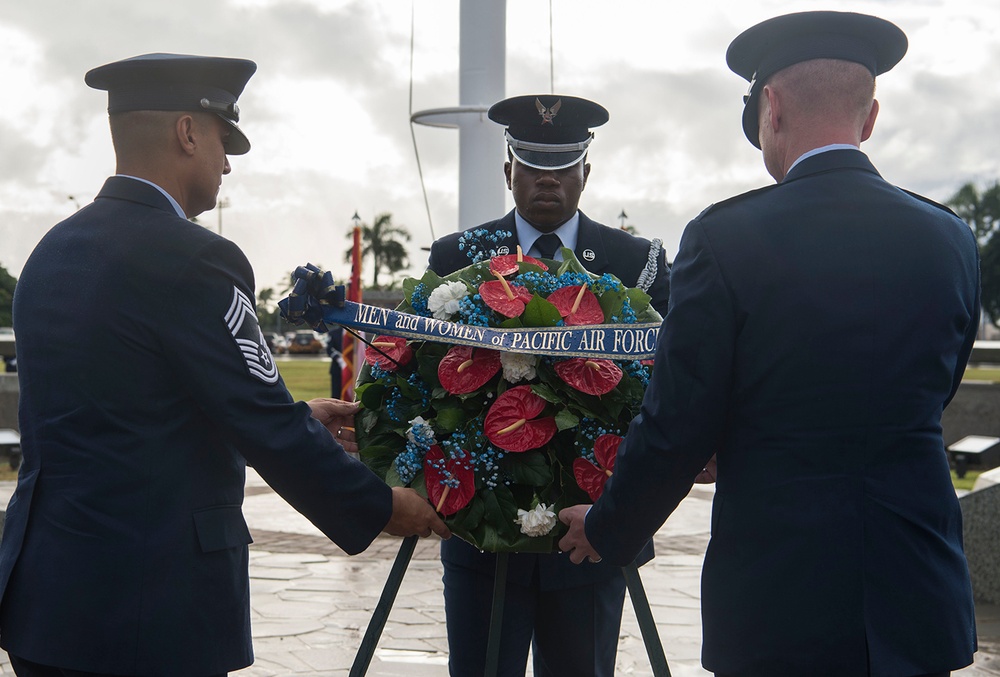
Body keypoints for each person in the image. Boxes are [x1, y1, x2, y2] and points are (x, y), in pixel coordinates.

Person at [0, 53, 449, 677]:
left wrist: (298, 415)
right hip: (150, 609)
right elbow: (261, 420)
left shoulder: (51, 252)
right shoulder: (195, 258)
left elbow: (131, 412)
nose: (228, 162)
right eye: (221, 140)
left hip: (47, 600)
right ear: (187, 132)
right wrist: (385, 507)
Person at [559, 11, 980, 676]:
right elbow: (937, 384)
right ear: (870, 117)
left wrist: (609, 526)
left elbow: (677, 425)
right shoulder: (950, 238)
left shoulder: (725, 239)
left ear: (771, 108)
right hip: (918, 590)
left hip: (780, 597)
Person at [427, 94, 670, 677]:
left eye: (563, 166)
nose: (548, 180)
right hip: (481, 532)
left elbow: (666, 391)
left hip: (592, 531)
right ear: (509, 170)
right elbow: (428, 384)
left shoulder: (633, 261)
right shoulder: (457, 256)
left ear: (586, 171)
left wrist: (628, 507)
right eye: (533, 164)